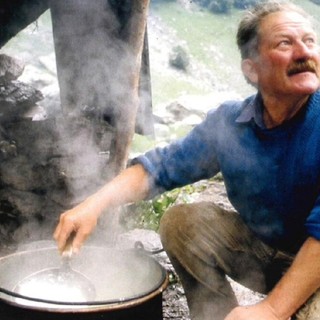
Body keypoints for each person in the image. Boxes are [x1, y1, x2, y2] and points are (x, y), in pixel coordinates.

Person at [54, 0, 320, 319]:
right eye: (285, 43)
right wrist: (93, 205)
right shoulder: (232, 123)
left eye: (310, 41)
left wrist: (272, 310)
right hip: (267, 251)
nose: (304, 53)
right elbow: (161, 168)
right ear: (253, 68)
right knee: (182, 224)